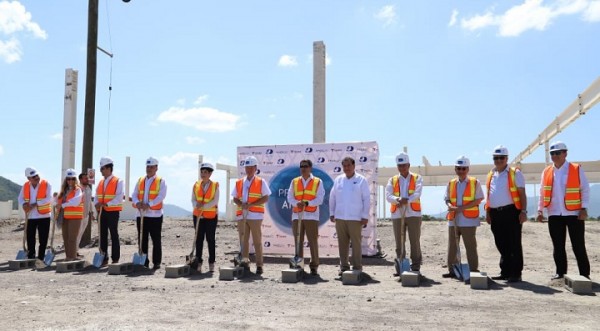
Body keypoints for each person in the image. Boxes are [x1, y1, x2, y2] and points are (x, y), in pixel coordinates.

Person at [536, 141, 591, 280]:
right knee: (558, 246)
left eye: (557, 153)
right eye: (552, 153)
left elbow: (584, 189)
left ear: (565, 153)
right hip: (554, 213)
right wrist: (540, 210)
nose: (555, 156)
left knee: (578, 245)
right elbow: (542, 192)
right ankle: (560, 273)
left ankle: (584, 274)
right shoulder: (547, 171)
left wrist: (583, 208)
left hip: (574, 213)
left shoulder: (576, 168)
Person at [485, 145, 527, 283]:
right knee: (501, 243)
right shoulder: (491, 174)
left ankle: (515, 273)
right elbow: (489, 195)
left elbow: (521, 193)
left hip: (511, 212)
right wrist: (488, 212)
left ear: (506, 158)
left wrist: (523, 211)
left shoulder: (515, 173)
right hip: (495, 214)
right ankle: (505, 271)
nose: (498, 160)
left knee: (514, 243)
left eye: (501, 158)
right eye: (496, 158)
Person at [442, 156, 484, 278]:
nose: (461, 171)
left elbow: (478, 199)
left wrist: (461, 208)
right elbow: (447, 199)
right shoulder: (451, 183)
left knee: (470, 246)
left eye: (463, 168)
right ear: (455, 169)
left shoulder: (475, 182)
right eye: (458, 168)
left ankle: (473, 270)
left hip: (469, 221)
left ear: (468, 169)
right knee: (452, 246)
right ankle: (452, 270)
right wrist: (450, 206)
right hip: (453, 219)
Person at [329, 157, 371, 276]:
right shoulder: (338, 180)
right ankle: (344, 267)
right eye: (344, 166)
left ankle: (357, 267)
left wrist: (364, 215)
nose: (346, 168)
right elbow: (332, 197)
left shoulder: (361, 180)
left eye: (349, 165)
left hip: (355, 218)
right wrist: (332, 213)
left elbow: (366, 199)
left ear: (354, 166)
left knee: (356, 243)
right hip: (340, 217)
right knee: (342, 243)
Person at [231, 156, 271, 275]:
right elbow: (234, 198)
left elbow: (266, 197)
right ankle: (244, 262)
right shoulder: (239, 182)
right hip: (241, 216)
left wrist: (251, 204)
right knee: (243, 241)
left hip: (255, 216)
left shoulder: (260, 181)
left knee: (257, 241)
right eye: (246, 167)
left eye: (250, 167)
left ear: (255, 168)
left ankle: (259, 265)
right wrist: (241, 204)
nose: (248, 170)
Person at [385, 152, 423, 274]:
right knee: (399, 242)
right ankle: (401, 265)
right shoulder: (392, 180)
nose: (402, 168)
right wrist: (398, 200)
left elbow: (417, 193)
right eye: (399, 165)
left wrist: (406, 200)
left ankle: (416, 265)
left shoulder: (417, 178)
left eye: (404, 165)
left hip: (413, 214)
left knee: (414, 241)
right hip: (397, 214)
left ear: (409, 165)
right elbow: (388, 195)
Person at [286, 159, 325, 276]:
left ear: (310, 168)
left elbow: (320, 199)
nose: (303, 168)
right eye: (301, 166)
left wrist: (307, 203)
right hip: (297, 215)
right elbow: (289, 197)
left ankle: (314, 266)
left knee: (312, 241)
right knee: (298, 241)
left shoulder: (318, 181)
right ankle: (299, 264)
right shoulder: (294, 181)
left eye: (306, 166)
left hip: (311, 216)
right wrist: (296, 203)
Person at [132, 157, 167, 270]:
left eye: (151, 167)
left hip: (155, 215)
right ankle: (144, 261)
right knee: (142, 239)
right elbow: (134, 194)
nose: (149, 169)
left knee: (156, 239)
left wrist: (149, 204)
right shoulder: (140, 180)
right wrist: (137, 203)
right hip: (141, 214)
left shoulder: (161, 181)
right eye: (147, 167)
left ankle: (156, 262)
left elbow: (161, 196)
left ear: (156, 168)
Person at [18, 167, 52, 261]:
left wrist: (35, 204)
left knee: (43, 238)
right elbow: (20, 198)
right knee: (30, 237)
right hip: (31, 217)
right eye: (33, 177)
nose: (36, 177)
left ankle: (41, 258)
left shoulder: (46, 184)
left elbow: (49, 198)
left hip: (44, 216)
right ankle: (31, 256)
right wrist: (24, 204)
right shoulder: (25, 185)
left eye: (37, 175)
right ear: (29, 178)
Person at [95, 156, 124, 266]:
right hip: (102, 212)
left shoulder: (118, 181)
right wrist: (97, 204)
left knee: (113, 234)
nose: (101, 171)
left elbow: (119, 197)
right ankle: (104, 257)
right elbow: (97, 196)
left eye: (102, 168)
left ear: (108, 168)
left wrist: (106, 203)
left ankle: (115, 258)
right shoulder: (101, 182)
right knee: (102, 235)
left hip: (113, 211)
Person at [191, 162, 219, 273]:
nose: (203, 174)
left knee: (210, 239)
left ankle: (212, 262)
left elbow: (215, 201)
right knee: (198, 240)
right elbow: (193, 198)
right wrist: (196, 205)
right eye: (202, 172)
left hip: (210, 217)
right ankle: (198, 262)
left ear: (210, 173)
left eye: (205, 172)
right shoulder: (196, 185)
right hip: (198, 216)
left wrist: (204, 206)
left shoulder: (215, 185)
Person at [56, 169, 83, 261]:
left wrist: (63, 204)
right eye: (68, 179)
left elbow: (76, 202)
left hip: (75, 217)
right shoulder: (63, 192)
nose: (70, 181)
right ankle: (68, 257)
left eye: (72, 179)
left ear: (75, 180)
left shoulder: (78, 190)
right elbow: (57, 202)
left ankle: (72, 257)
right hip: (64, 217)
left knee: (72, 238)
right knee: (66, 238)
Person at [76, 172, 94, 254]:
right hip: (78, 216)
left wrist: (92, 212)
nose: (87, 180)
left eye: (87, 178)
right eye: (85, 178)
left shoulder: (88, 189)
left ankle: (76, 251)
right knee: (76, 234)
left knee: (80, 234)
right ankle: (73, 252)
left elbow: (90, 201)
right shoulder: (77, 189)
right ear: (80, 179)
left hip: (86, 215)